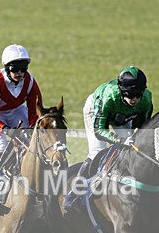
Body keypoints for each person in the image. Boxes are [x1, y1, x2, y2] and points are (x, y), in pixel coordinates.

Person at [64, 66, 153, 212]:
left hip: (122, 116)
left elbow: (142, 129)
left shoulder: (146, 99)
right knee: (97, 152)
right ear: (122, 91)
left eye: (138, 94)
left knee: (130, 150)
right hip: (96, 110)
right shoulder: (109, 97)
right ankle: (74, 194)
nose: (135, 99)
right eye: (130, 95)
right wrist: (119, 140)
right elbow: (99, 130)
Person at [0, 44, 42, 213]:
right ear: (7, 68)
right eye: (15, 69)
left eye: (23, 68)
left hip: (15, 110)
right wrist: (5, 129)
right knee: (1, 146)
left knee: (32, 139)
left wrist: (31, 127)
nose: (19, 73)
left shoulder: (29, 81)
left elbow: (35, 109)